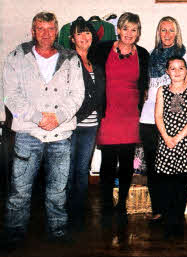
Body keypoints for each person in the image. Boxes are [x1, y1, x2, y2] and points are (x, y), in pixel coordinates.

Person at [1, 12, 84, 249]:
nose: (46, 34)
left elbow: (77, 95)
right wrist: (38, 118)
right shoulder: (16, 57)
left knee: (58, 189)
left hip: (61, 134)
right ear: (33, 31)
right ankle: (14, 233)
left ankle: (57, 231)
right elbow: (10, 95)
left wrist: (58, 117)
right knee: (20, 190)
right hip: (28, 134)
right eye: (41, 29)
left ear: (57, 31)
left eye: (50, 29)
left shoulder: (71, 58)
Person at [93, 12, 149, 219]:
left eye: (134, 29)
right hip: (108, 112)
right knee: (108, 161)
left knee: (126, 161)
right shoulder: (102, 49)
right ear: (118, 29)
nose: (129, 33)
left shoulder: (143, 53)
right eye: (125, 28)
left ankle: (122, 204)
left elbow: (144, 85)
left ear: (138, 33)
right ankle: (107, 204)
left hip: (130, 114)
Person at [140, 16, 187, 222]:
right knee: (154, 166)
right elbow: (147, 86)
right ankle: (158, 208)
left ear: (177, 33)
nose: (167, 35)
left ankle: (175, 208)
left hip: (172, 118)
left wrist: (174, 118)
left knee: (174, 167)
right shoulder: (151, 55)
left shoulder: (183, 54)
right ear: (158, 33)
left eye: (171, 30)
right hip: (148, 117)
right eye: (163, 30)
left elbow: (186, 88)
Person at [66, 17, 106, 231]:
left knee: (82, 170)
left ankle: (78, 212)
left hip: (91, 126)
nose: (85, 37)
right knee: (68, 170)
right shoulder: (67, 61)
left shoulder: (95, 66)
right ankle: (64, 213)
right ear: (72, 38)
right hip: (72, 125)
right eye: (80, 33)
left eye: (88, 32)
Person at [154, 56, 187, 239]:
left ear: (186, 70)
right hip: (166, 141)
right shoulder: (162, 90)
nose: (177, 71)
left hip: (185, 141)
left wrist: (178, 137)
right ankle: (168, 221)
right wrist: (167, 137)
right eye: (173, 68)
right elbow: (158, 116)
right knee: (167, 184)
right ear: (167, 71)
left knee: (182, 185)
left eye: (181, 68)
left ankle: (178, 221)